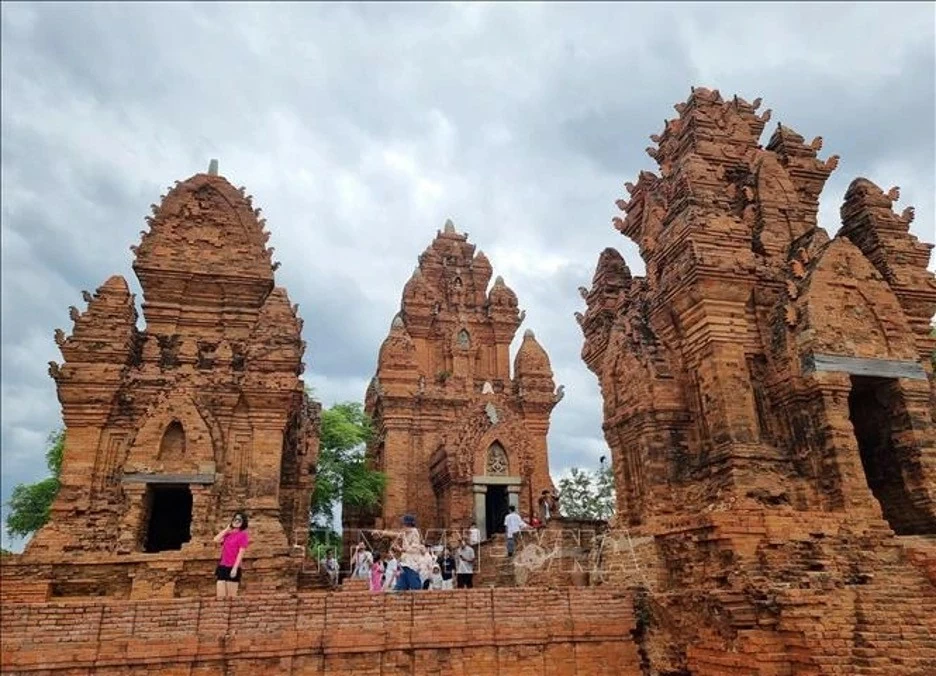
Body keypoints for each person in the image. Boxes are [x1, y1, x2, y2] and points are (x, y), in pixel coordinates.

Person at [213, 512, 249, 599]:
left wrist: (235, 568)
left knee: (231, 598)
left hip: (233, 566)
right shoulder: (228, 534)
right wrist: (227, 529)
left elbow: (241, 553)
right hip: (223, 566)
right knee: (220, 596)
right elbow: (216, 540)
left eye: (239, 520)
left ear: (243, 523)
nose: (236, 521)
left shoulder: (243, 535)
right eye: (235, 519)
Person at [394, 514, 426, 591]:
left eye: (404, 524)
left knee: (415, 587)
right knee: (399, 587)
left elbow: (414, 548)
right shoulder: (405, 534)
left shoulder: (414, 532)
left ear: (408, 524)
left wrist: (402, 549)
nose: (403, 526)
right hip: (404, 564)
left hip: (411, 564)